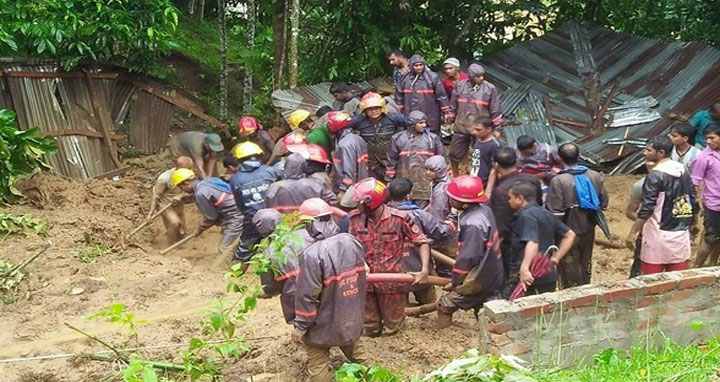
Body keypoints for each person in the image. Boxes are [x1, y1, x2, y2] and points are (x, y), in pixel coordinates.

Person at [292, 198, 367, 382]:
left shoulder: (311, 255)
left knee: (318, 363)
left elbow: (307, 295)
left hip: (323, 324)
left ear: (310, 224)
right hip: (352, 317)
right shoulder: (352, 241)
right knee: (360, 357)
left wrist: (300, 326)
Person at [346, 178, 430, 337]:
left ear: (371, 203)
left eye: (360, 203)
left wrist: (424, 270)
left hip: (391, 283)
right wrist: (360, 262)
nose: (357, 206)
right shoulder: (354, 219)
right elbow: (348, 245)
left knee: (394, 326)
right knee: (369, 325)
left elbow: (421, 241)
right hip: (365, 282)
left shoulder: (399, 218)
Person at [436, 175, 503, 329]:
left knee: (445, 304)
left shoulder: (472, 224)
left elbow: (468, 256)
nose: (450, 200)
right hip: (492, 269)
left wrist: (456, 281)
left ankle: (444, 337)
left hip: (479, 276)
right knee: (484, 307)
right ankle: (486, 334)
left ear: (465, 202)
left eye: (453, 198)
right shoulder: (484, 211)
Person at [626, 136, 697, 274]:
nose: (644, 153)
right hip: (680, 233)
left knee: (652, 282)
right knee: (678, 280)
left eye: (648, 150)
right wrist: (694, 222)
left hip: (657, 234)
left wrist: (633, 232)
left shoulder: (655, 175)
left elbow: (647, 208)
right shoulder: (683, 170)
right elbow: (691, 198)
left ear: (661, 153)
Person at [546, 143, 608, 288]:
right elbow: (604, 203)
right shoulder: (594, 175)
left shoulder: (558, 180)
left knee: (568, 266)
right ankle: (586, 290)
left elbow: (555, 212)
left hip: (566, 232)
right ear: (579, 156)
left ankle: (572, 294)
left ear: (560, 159)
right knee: (585, 261)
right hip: (588, 227)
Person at [501, 181, 576, 298]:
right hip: (547, 274)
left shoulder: (526, 217)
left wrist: (524, 269)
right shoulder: (546, 213)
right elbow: (570, 235)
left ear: (520, 199)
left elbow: (532, 242)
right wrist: (556, 258)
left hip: (528, 278)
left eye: (510, 198)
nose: (508, 201)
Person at [387, 178, 454, 304]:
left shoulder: (383, 216)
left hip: (393, 273)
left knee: (400, 308)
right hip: (420, 269)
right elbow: (440, 232)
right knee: (429, 301)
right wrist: (451, 220)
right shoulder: (419, 215)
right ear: (409, 195)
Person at [252, 208, 312, 323]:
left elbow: (270, 287)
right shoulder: (305, 234)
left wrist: (268, 292)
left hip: (295, 293)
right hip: (321, 280)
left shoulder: (267, 254)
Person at [489, 147, 542, 274]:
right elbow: (539, 204)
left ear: (496, 165)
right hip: (535, 232)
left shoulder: (501, 190)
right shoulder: (532, 179)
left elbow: (501, 224)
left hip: (512, 241)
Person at [172, 168, 243, 259]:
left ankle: (230, 270)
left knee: (224, 248)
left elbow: (211, 217)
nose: (183, 190)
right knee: (231, 240)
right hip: (240, 208)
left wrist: (199, 229)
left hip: (235, 216)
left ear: (186, 184)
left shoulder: (200, 194)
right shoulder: (210, 181)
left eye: (181, 187)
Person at [228, 142, 281, 262]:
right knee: (281, 242)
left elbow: (240, 205)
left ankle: (237, 274)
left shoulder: (235, 179)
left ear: (239, 160)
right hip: (275, 215)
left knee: (245, 248)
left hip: (252, 217)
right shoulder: (271, 172)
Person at [448, 64, 502, 175]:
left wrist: (497, 128)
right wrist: (449, 121)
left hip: (481, 128)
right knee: (454, 152)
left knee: (480, 153)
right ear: (470, 76)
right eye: (477, 76)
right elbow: (453, 106)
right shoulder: (460, 86)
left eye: (482, 76)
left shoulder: (490, 88)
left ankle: (479, 175)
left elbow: (495, 110)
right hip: (461, 125)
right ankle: (455, 174)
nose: (481, 78)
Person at [386, 110, 445, 207]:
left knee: (423, 210)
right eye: (420, 123)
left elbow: (441, 160)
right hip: (404, 181)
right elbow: (391, 161)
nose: (424, 125)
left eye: (425, 122)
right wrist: (389, 180)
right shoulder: (398, 138)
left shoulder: (433, 139)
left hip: (424, 182)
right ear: (412, 124)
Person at [349, 92, 406, 180]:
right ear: (364, 110)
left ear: (382, 108)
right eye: (370, 109)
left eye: (376, 108)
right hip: (370, 161)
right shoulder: (358, 121)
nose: (374, 111)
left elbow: (411, 123)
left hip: (390, 159)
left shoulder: (392, 118)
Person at [395, 54, 452, 135]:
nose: (419, 67)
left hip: (431, 114)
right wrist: (400, 110)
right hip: (410, 113)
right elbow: (399, 96)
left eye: (421, 65)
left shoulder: (433, 77)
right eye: (416, 65)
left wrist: (446, 111)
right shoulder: (404, 79)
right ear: (411, 66)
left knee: (432, 137)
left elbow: (441, 95)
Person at [265, 153, 337, 213]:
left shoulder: (275, 187)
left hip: (285, 225)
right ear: (304, 166)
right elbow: (333, 201)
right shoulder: (316, 184)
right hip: (311, 222)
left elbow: (268, 209)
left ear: (286, 166)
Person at [692, 123, 720, 267]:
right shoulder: (703, 157)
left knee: (717, 237)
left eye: (712, 138)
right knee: (710, 238)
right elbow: (695, 182)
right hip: (713, 204)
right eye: (707, 138)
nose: (708, 141)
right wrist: (698, 203)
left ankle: (713, 264)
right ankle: (696, 267)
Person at [148, 156, 194, 245]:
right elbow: (156, 196)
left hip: (179, 205)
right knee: (174, 223)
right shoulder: (164, 178)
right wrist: (151, 213)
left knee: (183, 231)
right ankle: (171, 246)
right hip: (165, 206)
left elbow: (192, 190)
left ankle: (180, 243)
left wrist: (181, 196)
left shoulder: (189, 175)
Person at [326, 111, 369, 195]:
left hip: (350, 190)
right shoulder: (357, 138)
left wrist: (343, 191)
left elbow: (349, 170)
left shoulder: (344, 145)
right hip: (362, 185)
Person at [625, 162, 654, 278]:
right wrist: (646, 222)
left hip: (669, 234)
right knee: (639, 271)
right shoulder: (640, 186)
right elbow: (630, 212)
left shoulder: (676, 182)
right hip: (647, 234)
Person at [468, 117, 502, 194]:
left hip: (485, 182)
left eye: (478, 130)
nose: (474, 132)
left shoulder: (494, 146)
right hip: (475, 179)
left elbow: (495, 169)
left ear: (489, 129)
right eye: (474, 129)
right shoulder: (478, 141)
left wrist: (489, 189)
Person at [425, 155, 453, 221]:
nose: (427, 172)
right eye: (426, 169)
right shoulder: (441, 181)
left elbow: (438, 213)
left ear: (440, 171)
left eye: (431, 170)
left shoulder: (441, 191)